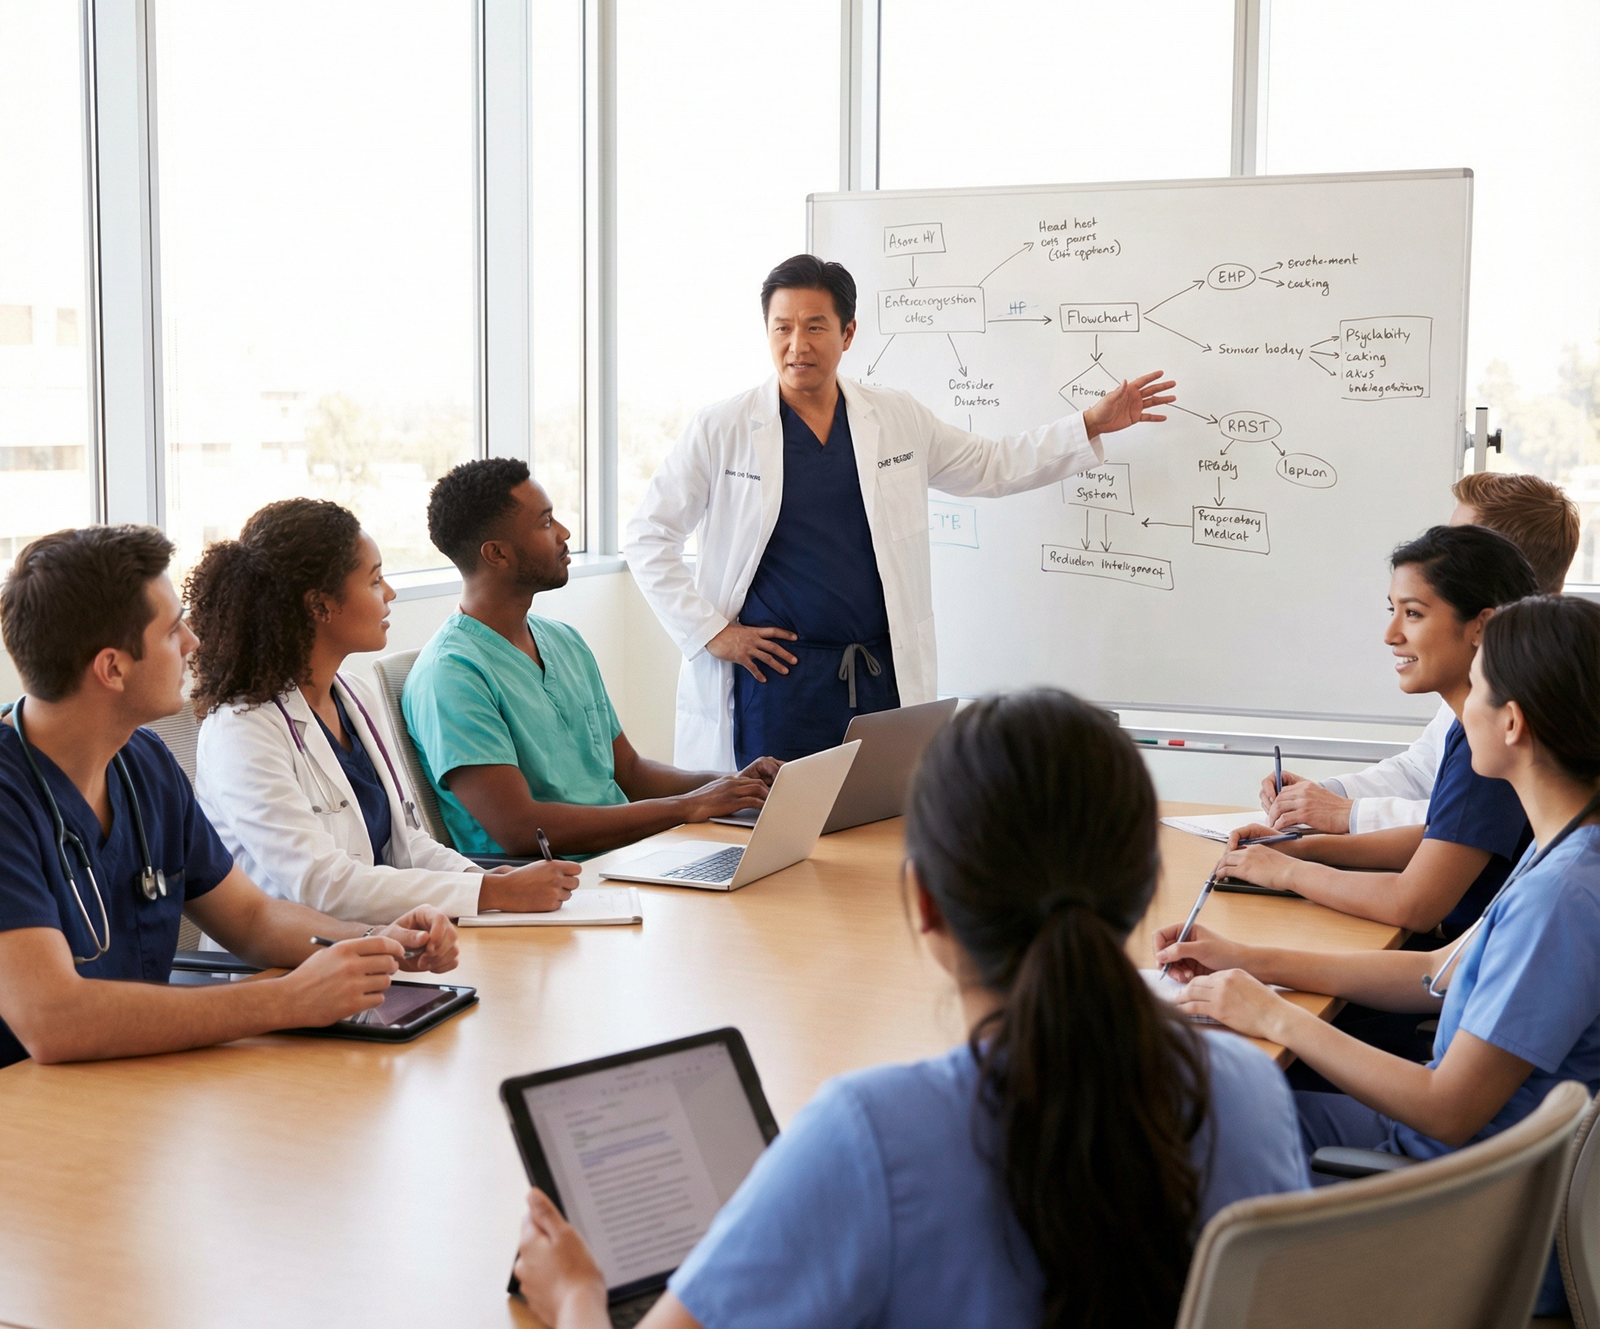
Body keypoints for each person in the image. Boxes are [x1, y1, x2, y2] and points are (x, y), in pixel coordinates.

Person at [511, 690, 1308, 1329]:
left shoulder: (872, 1140)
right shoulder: (1248, 1089)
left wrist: (576, 1293)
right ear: (1144, 891)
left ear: (923, 902)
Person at [1157, 594, 1600, 1316]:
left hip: (1471, 1213)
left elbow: (1448, 1108)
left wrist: (1274, 1017)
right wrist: (1249, 959)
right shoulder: (1568, 843)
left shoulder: (1564, 899)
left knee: (1178, 1125)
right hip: (1474, 1173)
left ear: (1513, 723)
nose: (1463, 710)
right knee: (1205, 1096)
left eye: (1477, 689)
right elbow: (1435, 970)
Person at [625, 254, 1177, 771]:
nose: (797, 345)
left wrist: (1088, 424)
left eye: (815, 327)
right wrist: (712, 632)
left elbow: (990, 465)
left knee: (881, 823)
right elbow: (649, 536)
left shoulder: (894, 417)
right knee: (772, 827)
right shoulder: (722, 428)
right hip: (775, 687)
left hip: (879, 681)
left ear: (847, 334)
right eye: (782, 328)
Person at [0, 526, 457, 1070]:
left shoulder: (143, 761)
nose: (192, 641)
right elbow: (53, 1020)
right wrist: (285, 1000)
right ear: (112, 668)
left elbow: (251, 918)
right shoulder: (9, 796)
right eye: (172, 630)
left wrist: (376, 940)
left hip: (136, 1075)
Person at [188, 499, 581, 921]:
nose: (390, 593)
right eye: (375, 581)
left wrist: (481, 879)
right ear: (320, 605)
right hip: (302, 953)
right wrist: (491, 892)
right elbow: (322, 885)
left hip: (389, 936)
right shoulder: (242, 730)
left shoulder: (355, 696)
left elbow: (406, 844)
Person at [403, 459, 781, 860]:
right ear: (496, 553)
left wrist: (736, 784)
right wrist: (686, 808)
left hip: (631, 859)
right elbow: (520, 829)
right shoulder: (451, 675)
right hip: (557, 884)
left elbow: (630, 773)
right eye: (545, 522)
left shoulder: (564, 641)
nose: (564, 533)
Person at [1219, 525, 1539, 937]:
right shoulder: (1469, 726)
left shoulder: (1497, 741)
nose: (1390, 635)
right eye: (1393, 612)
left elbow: (1413, 904)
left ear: (1481, 626)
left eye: (1413, 613)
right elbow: (1437, 838)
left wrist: (1287, 872)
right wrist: (1297, 849)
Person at [1265, 472, 1579, 834]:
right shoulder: (1476, 679)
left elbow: (1466, 818)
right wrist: (1325, 795)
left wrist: (1344, 813)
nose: (1437, 556)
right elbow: (1423, 770)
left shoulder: (1536, 699)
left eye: (1457, 546)